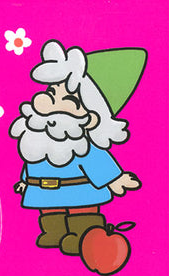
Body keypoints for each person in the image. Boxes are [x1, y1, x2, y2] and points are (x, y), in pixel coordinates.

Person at [9, 41, 144, 253]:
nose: (50, 98)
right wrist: (25, 182)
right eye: (52, 91)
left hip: (80, 191)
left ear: (91, 117)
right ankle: (53, 233)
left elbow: (97, 161)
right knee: (50, 215)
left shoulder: (81, 145)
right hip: (43, 192)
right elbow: (32, 159)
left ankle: (82, 237)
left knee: (83, 215)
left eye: (67, 98)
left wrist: (115, 179)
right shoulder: (36, 137)